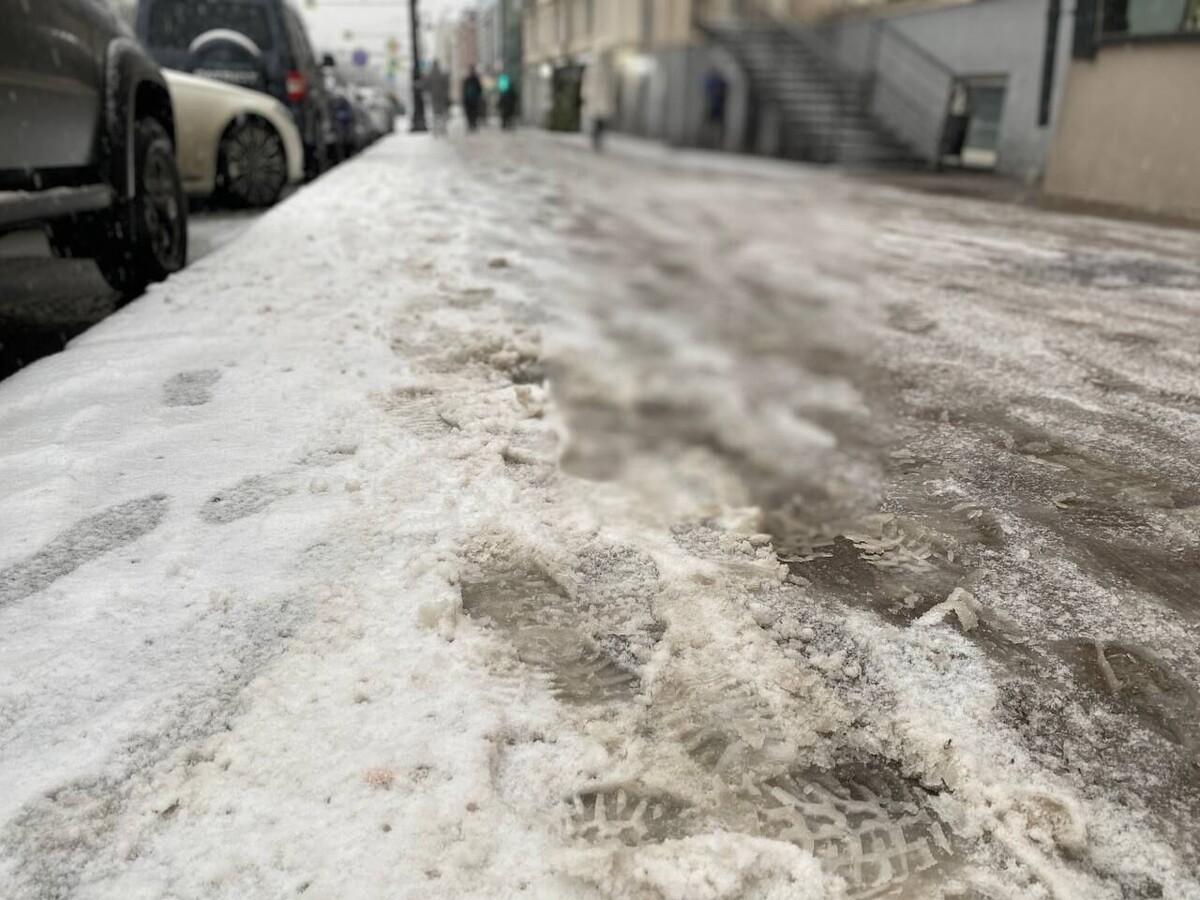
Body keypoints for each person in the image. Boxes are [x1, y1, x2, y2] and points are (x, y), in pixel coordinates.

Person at [581, 52, 615, 151]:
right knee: (596, 120)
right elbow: (586, 83)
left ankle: (597, 139)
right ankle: (595, 139)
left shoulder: (608, 69)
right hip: (596, 98)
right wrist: (586, 95)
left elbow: (611, 86)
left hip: (601, 99)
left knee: (600, 121)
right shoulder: (593, 69)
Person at [703, 67, 729, 149]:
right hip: (712, 105)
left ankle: (717, 141)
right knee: (710, 123)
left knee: (718, 124)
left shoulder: (721, 82)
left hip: (719, 106)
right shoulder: (712, 81)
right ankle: (708, 140)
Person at [424, 61, 450, 137]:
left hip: (435, 97)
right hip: (441, 97)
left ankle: (436, 130)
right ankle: (442, 129)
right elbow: (446, 85)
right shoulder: (441, 74)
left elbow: (426, 85)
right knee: (441, 113)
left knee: (436, 114)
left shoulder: (430, 75)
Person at [462, 66, 484, 133]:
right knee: (473, 113)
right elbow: (480, 89)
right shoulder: (475, 80)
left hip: (470, 101)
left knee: (471, 113)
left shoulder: (468, 80)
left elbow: (464, 91)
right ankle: (472, 125)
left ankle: (471, 125)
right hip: (473, 100)